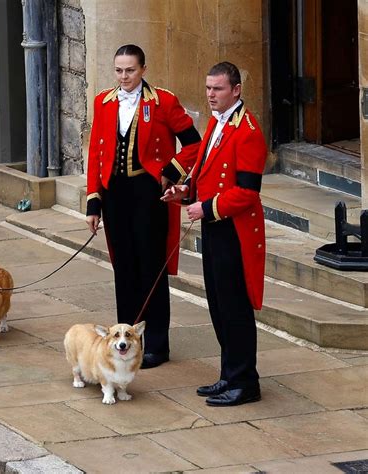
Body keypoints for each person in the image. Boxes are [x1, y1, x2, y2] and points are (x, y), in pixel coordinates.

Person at [86, 44, 201, 369]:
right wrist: (93, 201)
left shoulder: (163, 101)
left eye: (130, 70)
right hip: (116, 196)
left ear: (143, 70)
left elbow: (194, 143)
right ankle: (127, 342)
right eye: (119, 70)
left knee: (151, 269)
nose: (124, 77)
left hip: (149, 194)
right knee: (124, 268)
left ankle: (158, 345)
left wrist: (171, 172)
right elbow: (96, 152)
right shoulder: (103, 102)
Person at [162, 62, 267, 405]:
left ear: (236, 90)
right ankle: (229, 374)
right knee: (219, 305)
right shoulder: (215, 123)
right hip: (215, 228)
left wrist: (206, 208)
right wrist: (185, 193)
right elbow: (204, 173)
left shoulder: (248, 130)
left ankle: (245, 382)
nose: (210, 95)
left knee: (235, 307)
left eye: (217, 89)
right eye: (208, 88)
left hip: (235, 232)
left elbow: (248, 192)